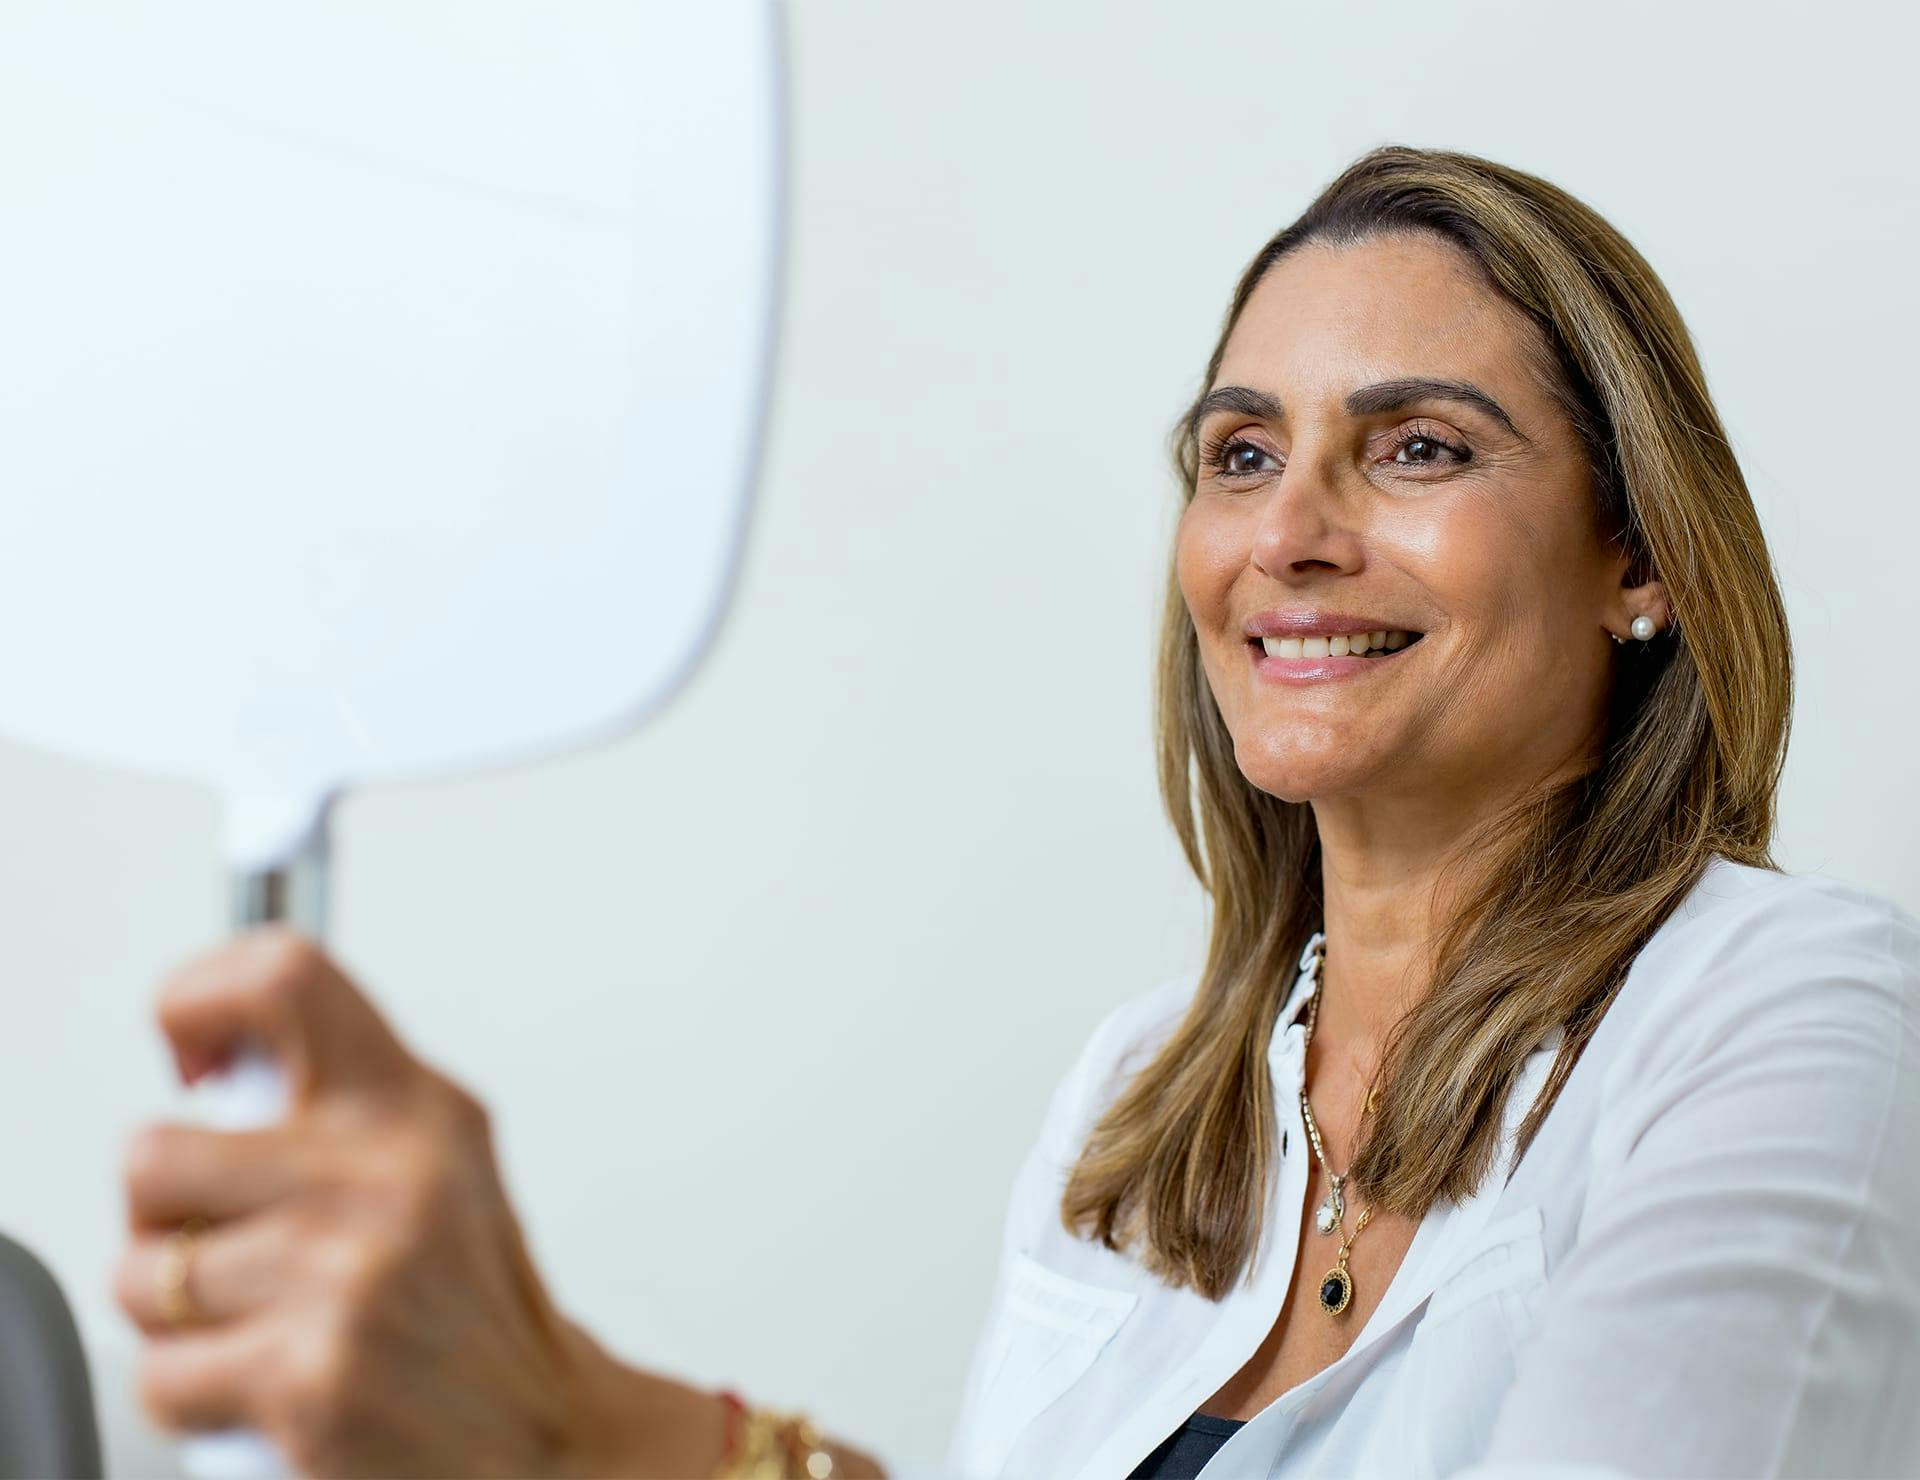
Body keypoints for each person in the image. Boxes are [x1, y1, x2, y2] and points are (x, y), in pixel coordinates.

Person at [113, 145, 1920, 1479]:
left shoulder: (1792, 1015)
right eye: (1239, 454)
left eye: (1417, 446)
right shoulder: (1140, 1109)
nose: (1287, 531)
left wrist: (605, 1431)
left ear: (1640, 560)